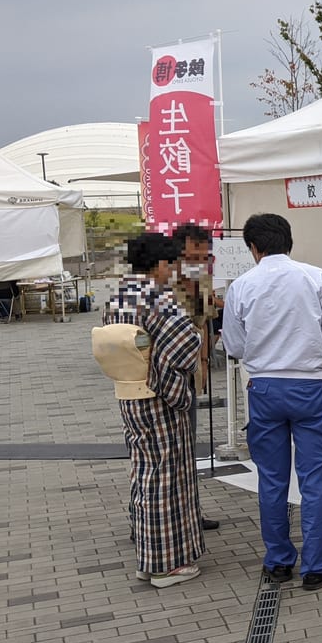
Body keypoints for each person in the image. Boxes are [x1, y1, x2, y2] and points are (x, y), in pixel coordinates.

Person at [221, 214, 322, 590]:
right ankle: (316, 566)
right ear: (288, 241)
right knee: (314, 481)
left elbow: (235, 346)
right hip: (309, 386)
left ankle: (278, 561)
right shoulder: (316, 276)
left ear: (254, 247)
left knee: (272, 480)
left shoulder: (241, 286)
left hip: (263, 388)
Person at [99, 232, 205, 588]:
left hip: (129, 394)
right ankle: (165, 565)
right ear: (162, 264)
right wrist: (164, 369)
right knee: (166, 477)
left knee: (144, 472)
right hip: (158, 396)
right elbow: (187, 341)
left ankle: (147, 557)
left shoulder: (118, 295)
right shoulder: (157, 298)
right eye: (171, 264)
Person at [171, 223, 221, 532]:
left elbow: (206, 326)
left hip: (190, 377)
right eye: (195, 251)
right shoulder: (161, 282)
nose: (201, 257)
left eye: (204, 252)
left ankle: (190, 512)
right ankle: (159, 515)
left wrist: (203, 362)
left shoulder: (201, 281)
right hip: (164, 379)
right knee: (167, 450)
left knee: (187, 447)